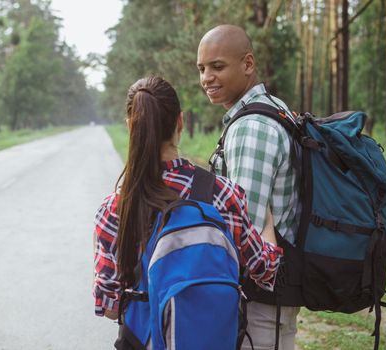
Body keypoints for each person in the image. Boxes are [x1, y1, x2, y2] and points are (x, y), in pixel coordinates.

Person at [92, 76, 283, 333]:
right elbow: (264, 269)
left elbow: (110, 307)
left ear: (130, 127)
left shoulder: (113, 209)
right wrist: (268, 227)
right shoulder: (222, 194)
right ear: (180, 121)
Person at [197, 25, 301, 350]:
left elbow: (246, 231)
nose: (206, 78)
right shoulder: (274, 107)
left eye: (217, 66)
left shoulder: (251, 128)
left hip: (261, 299)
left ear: (248, 64)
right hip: (276, 293)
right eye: (201, 69)